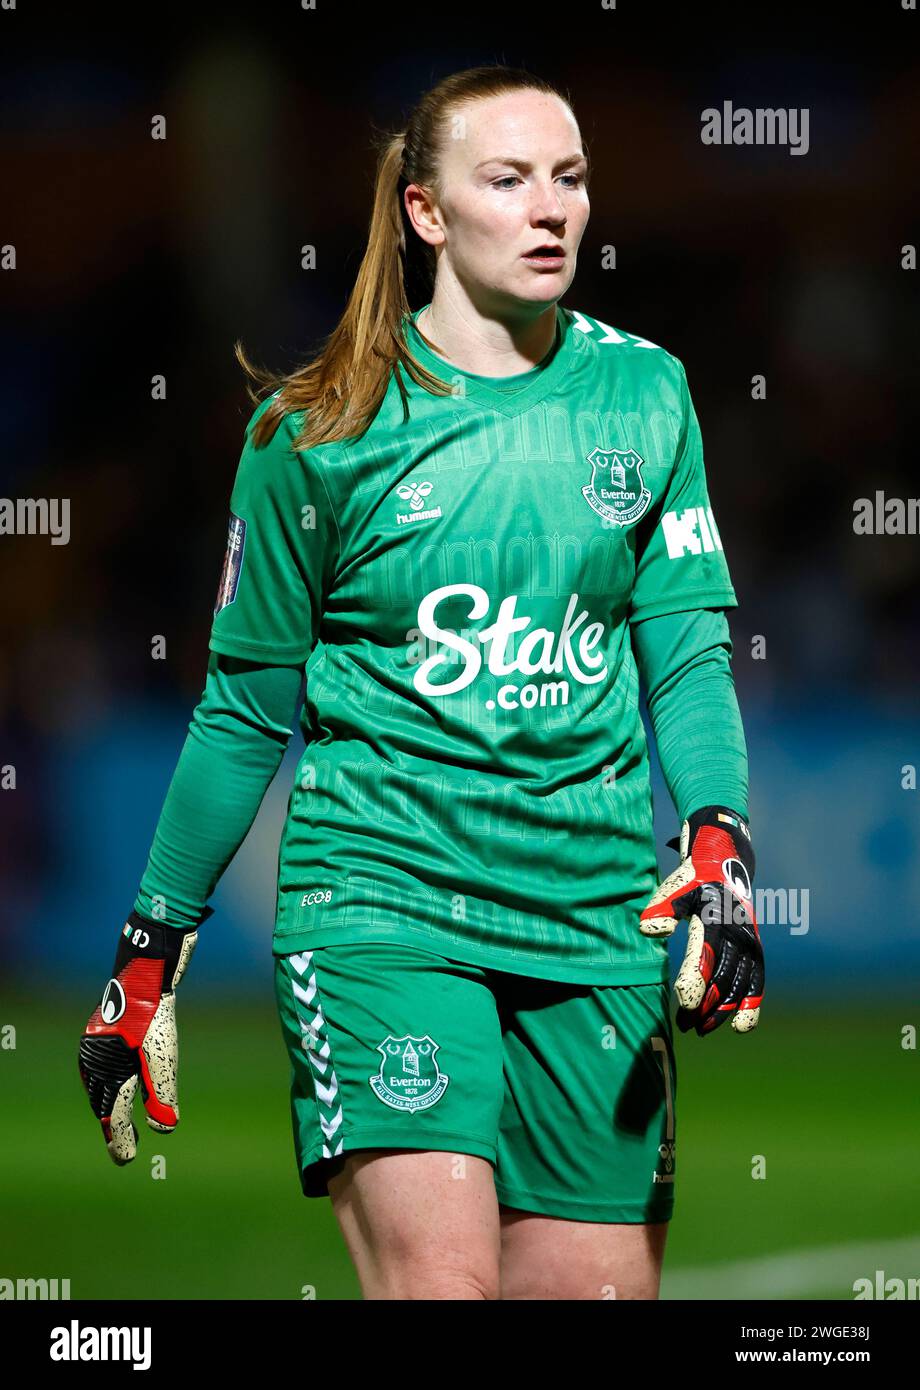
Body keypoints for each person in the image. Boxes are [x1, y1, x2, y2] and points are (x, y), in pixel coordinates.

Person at [78, 63, 764, 1301]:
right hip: (383, 904)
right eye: (506, 180)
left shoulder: (645, 391)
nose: (549, 207)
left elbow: (687, 645)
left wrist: (717, 835)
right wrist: (146, 953)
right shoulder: (315, 430)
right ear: (426, 212)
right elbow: (242, 710)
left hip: (598, 917)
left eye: (568, 177)